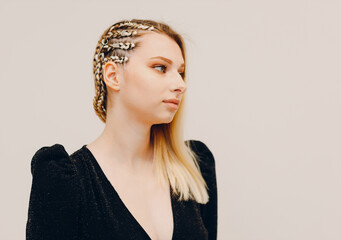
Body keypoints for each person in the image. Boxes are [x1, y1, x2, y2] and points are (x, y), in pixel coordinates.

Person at [26, 19, 217, 240]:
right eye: (160, 68)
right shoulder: (66, 180)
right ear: (113, 76)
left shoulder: (194, 168)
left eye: (181, 72)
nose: (180, 84)